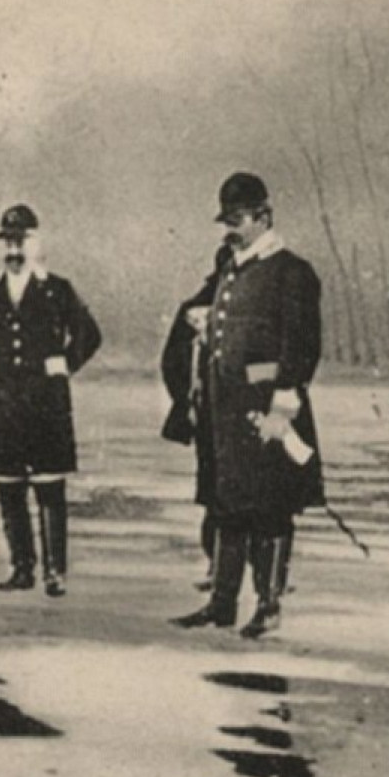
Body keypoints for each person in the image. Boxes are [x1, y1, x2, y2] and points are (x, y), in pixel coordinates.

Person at [173, 172, 323, 639]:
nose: (229, 229)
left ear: (263, 217)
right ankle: (221, 603)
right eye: (226, 221)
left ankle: (268, 605)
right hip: (225, 410)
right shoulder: (231, 269)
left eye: (238, 220)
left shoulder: (291, 271)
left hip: (267, 409)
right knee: (228, 504)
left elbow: (302, 345)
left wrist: (283, 402)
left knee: (270, 508)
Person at [0, 204, 101, 597]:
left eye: (21, 240)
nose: (14, 249)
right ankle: (22, 568)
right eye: (7, 241)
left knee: (49, 489)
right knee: (9, 489)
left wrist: (63, 365)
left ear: (37, 242)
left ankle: (56, 572)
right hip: (2, 405)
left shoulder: (58, 289)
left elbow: (90, 334)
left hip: (46, 404)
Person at [160, 245, 231, 590]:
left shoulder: (194, 306)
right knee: (221, 492)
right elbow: (172, 361)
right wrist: (185, 399)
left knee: (219, 492)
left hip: (212, 411)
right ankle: (222, 567)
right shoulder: (195, 310)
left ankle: (225, 568)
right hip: (211, 413)